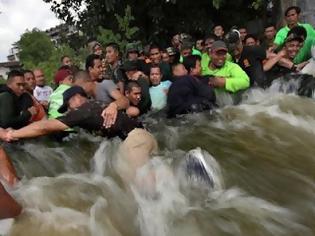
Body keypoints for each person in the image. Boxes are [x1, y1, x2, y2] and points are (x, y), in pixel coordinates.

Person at [0, 86, 158, 188]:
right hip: (146, 137)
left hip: (134, 142)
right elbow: (124, 100)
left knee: (143, 189)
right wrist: (114, 105)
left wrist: (10, 134)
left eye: (68, 105)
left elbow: (46, 126)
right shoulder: (99, 104)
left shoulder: (83, 111)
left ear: (76, 98)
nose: (68, 110)